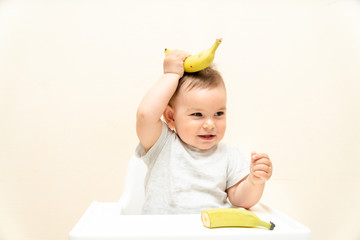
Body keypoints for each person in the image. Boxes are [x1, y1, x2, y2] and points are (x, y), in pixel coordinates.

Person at [135, 50, 272, 214]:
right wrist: (170, 75)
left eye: (218, 114)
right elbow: (145, 115)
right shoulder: (162, 145)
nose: (210, 124)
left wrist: (255, 181)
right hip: (163, 232)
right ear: (171, 117)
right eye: (197, 115)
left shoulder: (229, 156)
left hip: (208, 232)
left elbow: (240, 200)